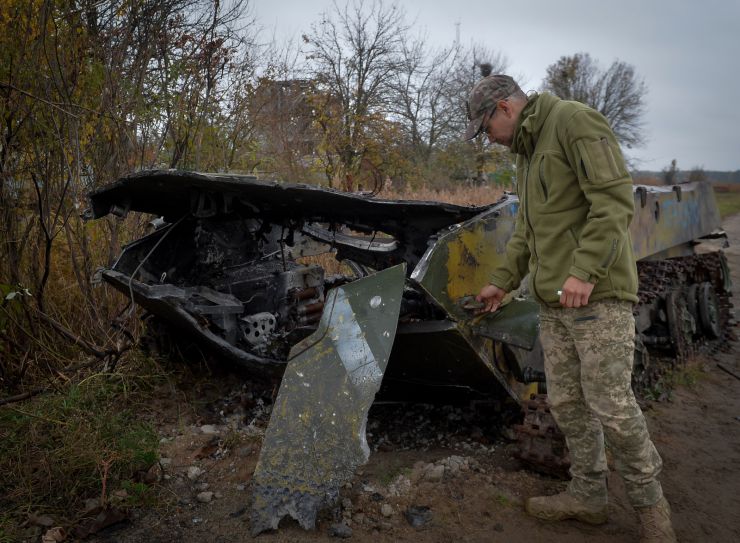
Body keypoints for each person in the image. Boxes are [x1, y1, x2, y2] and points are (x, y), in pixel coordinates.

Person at [464, 72, 677, 543]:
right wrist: (502, 283)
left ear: (504, 108)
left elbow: (615, 202)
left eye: (486, 129)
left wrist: (584, 271)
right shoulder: (527, 152)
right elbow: (528, 231)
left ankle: (652, 511)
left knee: (612, 405)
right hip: (555, 302)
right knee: (568, 402)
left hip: (596, 295)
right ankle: (588, 497)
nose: (490, 141)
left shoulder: (574, 122)